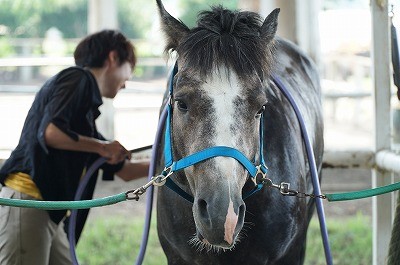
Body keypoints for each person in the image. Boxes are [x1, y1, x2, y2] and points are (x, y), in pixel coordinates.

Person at [0, 30, 149, 265]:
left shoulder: (84, 122)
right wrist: (102, 147)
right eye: (129, 69)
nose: (126, 83)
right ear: (112, 58)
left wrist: (171, 164)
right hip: (30, 202)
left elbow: (125, 170)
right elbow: (50, 133)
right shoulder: (77, 78)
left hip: (50, 212)